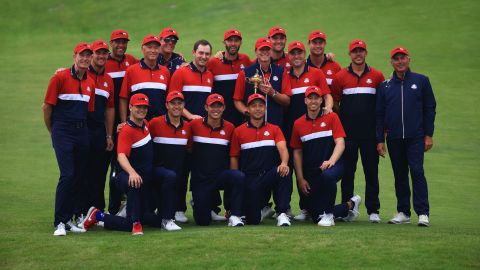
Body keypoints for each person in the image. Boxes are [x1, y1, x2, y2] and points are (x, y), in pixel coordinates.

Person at [82, 93, 178, 235]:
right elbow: (121, 156)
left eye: (144, 107)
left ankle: (166, 218)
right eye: (138, 107)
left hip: (145, 174)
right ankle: (98, 215)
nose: (142, 110)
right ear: (131, 107)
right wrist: (132, 173)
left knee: (169, 176)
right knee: (132, 224)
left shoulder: (145, 124)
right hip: (126, 176)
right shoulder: (126, 130)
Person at [376, 47, 436, 227]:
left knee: (417, 171)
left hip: (416, 137)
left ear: (409, 60)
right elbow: (379, 114)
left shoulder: (421, 81)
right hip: (394, 138)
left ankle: (423, 212)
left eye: (403, 58)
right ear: (392, 62)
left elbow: (429, 108)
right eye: (396, 59)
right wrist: (380, 140)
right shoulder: (385, 86)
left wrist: (428, 135)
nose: (400, 61)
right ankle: (403, 211)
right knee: (400, 174)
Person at [43, 42, 96, 236]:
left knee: (79, 176)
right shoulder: (60, 77)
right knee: (68, 175)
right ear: (74, 56)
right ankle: (60, 222)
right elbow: (47, 107)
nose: (85, 59)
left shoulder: (91, 82)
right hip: (63, 131)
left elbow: (87, 111)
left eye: (88, 56)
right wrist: (53, 131)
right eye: (82, 55)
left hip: (82, 131)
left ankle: (71, 218)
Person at [331, 40, 385, 223]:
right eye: (355, 51)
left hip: (369, 134)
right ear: (350, 54)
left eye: (361, 51)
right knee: (348, 172)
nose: (358, 54)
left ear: (366, 53)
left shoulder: (377, 76)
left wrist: (380, 134)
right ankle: (347, 209)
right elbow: (335, 101)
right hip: (349, 134)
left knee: (371, 172)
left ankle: (373, 210)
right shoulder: (340, 77)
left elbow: (381, 105)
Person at [291, 86, 361, 226]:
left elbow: (340, 143)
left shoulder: (332, 117)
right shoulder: (298, 124)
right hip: (313, 171)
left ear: (321, 100)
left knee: (328, 176)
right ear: (305, 101)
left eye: (316, 98)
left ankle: (329, 215)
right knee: (316, 215)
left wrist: (331, 161)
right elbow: (297, 152)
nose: (313, 101)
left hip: (336, 164)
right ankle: (351, 204)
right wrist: (300, 178)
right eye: (310, 98)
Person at [284, 41, 332, 221]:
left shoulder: (316, 72)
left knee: (310, 165)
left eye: (299, 53)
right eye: (293, 54)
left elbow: (326, 94)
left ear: (304, 55)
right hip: (292, 127)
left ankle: (310, 206)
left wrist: (328, 108)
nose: (296, 57)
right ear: (289, 56)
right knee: (293, 167)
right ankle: (296, 207)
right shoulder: (285, 75)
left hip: (313, 127)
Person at [169, 40, 215, 222]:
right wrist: (191, 117)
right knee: (182, 168)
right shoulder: (181, 73)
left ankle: (205, 204)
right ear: (194, 52)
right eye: (200, 53)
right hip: (184, 129)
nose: (203, 57)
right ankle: (178, 208)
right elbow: (174, 102)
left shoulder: (210, 75)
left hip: (204, 131)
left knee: (204, 168)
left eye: (207, 54)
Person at [230, 94, 292, 226]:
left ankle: (282, 213)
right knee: (253, 220)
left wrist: (284, 163)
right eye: (254, 106)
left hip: (268, 175)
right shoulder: (238, 131)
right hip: (249, 179)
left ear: (265, 108)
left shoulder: (274, 129)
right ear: (248, 109)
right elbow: (234, 157)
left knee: (284, 171)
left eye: (261, 106)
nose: (257, 109)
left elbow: (283, 149)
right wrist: (236, 179)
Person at [190, 94, 246, 226]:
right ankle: (198, 202)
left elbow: (233, 154)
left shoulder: (230, 127)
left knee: (238, 176)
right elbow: (188, 149)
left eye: (219, 106)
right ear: (206, 107)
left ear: (224, 108)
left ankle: (235, 215)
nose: (216, 109)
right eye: (212, 106)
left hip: (220, 176)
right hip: (201, 179)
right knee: (202, 222)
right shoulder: (194, 125)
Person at [77, 40, 115, 216]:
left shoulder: (108, 79)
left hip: (100, 131)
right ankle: (80, 211)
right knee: (82, 171)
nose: (101, 56)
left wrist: (109, 135)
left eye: (104, 53)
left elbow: (109, 108)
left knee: (100, 173)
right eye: (98, 53)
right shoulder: (83, 75)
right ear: (92, 55)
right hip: (83, 129)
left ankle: (97, 211)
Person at [105, 29, 139, 216]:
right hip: (110, 122)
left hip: (130, 120)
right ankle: (113, 208)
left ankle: (125, 205)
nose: (121, 45)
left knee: (125, 164)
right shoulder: (103, 61)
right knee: (113, 166)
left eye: (124, 42)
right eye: (117, 42)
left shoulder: (131, 61)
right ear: (111, 43)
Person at [148, 91, 191, 224]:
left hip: (176, 176)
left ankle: (169, 214)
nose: (176, 106)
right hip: (156, 173)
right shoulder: (155, 123)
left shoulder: (188, 127)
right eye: (173, 103)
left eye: (179, 103)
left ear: (183, 105)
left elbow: (189, 150)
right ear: (167, 105)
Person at [119, 34, 171, 122]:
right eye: (149, 47)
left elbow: (168, 99)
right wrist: (124, 122)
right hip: (138, 123)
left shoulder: (165, 71)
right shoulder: (132, 70)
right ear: (142, 49)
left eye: (156, 48)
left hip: (161, 122)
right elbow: (124, 98)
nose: (153, 51)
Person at [207, 29, 252, 127]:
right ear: (224, 43)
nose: (233, 44)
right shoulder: (213, 62)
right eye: (230, 41)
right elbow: (199, 68)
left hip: (242, 116)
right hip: (220, 116)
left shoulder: (245, 60)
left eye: (236, 41)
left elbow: (261, 61)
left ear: (240, 43)